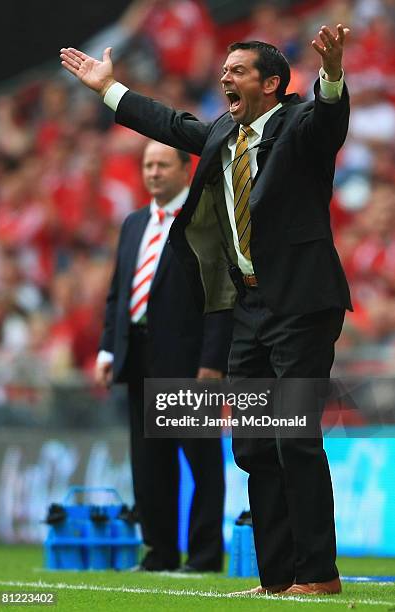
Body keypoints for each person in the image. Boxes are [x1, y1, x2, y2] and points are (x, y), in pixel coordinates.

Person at [61, 23, 352, 595]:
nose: (225, 77)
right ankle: (276, 579)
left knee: (293, 437)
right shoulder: (223, 131)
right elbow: (171, 125)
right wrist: (108, 90)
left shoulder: (300, 126)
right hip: (249, 307)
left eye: (238, 70)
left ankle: (319, 575)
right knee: (250, 444)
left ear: (271, 83)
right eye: (223, 70)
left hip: (301, 306)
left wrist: (335, 74)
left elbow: (330, 118)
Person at [94, 140, 232, 572]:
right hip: (137, 356)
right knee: (149, 465)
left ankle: (205, 555)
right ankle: (159, 552)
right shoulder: (134, 223)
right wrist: (106, 348)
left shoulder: (204, 221)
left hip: (189, 363)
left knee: (201, 462)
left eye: (161, 165)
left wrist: (212, 362)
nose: (152, 172)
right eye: (147, 165)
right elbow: (119, 294)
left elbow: (220, 298)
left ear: (184, 170)